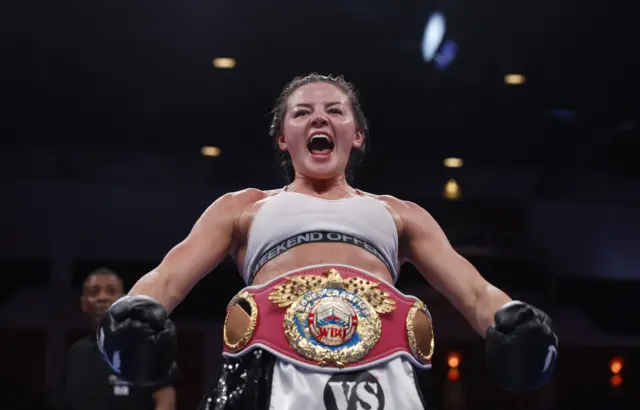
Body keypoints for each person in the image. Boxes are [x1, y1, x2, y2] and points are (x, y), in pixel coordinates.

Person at [97, 74, 558, 410]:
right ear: (283, 138)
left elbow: (475, 293)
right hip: (271, 371)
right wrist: (132, 314)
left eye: (334, 110)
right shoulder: (244, 207)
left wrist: (512, 321)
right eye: (302, 112)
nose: (319, 116)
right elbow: (168, 278)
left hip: (384, 377)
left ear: (356, 136)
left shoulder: (400, 213)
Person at [49, 268, 178, 410]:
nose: (102, 297)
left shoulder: (146, 345)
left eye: (111, 291)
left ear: (124, 301)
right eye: (94, 292)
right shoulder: (75, 354)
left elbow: (166, 401)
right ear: (84, 303)